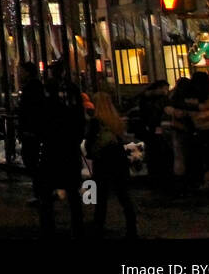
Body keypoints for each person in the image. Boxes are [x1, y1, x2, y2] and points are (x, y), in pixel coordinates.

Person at [35, 72, 85, 238]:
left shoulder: (45, 108)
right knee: (73, 193)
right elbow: (79, 129)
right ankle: (77, 227)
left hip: (52, 152)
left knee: (46, 194)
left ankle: (48, 228)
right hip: (69, 152)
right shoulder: (71, 109)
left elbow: (40, 130)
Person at [84, 92, 137, 238]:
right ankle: (131, 226)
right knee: (123, 194)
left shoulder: (96, 121)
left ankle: (99, 225)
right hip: (118, 159)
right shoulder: (116, 120)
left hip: (103, 160)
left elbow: (89, 142)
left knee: (100, 196)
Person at [17, 62, 45, 202]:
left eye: (21, 71)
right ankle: (41, 191)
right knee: (32, 161)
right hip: (32, 131)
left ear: (27, 72)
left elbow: (30, 111)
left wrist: (27, 128)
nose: (19, 74)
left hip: (31, 131)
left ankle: (41, 192)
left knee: (32, 161)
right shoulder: (34, 87)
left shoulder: (31, 89)